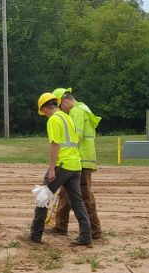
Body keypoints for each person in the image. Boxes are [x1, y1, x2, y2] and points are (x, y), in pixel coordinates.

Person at [17, 92, 93, 248]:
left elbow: (55, 145)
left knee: (42, 197)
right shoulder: (67, 117)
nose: (43, 114)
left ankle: (35, 235)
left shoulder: (53, 120)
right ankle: (86, 237)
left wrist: (52, 169)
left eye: (42, 111)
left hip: (62, 165)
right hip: (75, 165)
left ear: (45, 107)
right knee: (77, 203)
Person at [44, 87, 103, 239]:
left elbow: (76, 136)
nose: (60, 110)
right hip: (78, 160)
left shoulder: (77, 111)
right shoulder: (83, 108)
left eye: (60, 106)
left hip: (79, 160)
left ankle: (94, 231)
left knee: (83, 197)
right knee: (65, 194)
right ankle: (60, 226)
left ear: (63, 101)